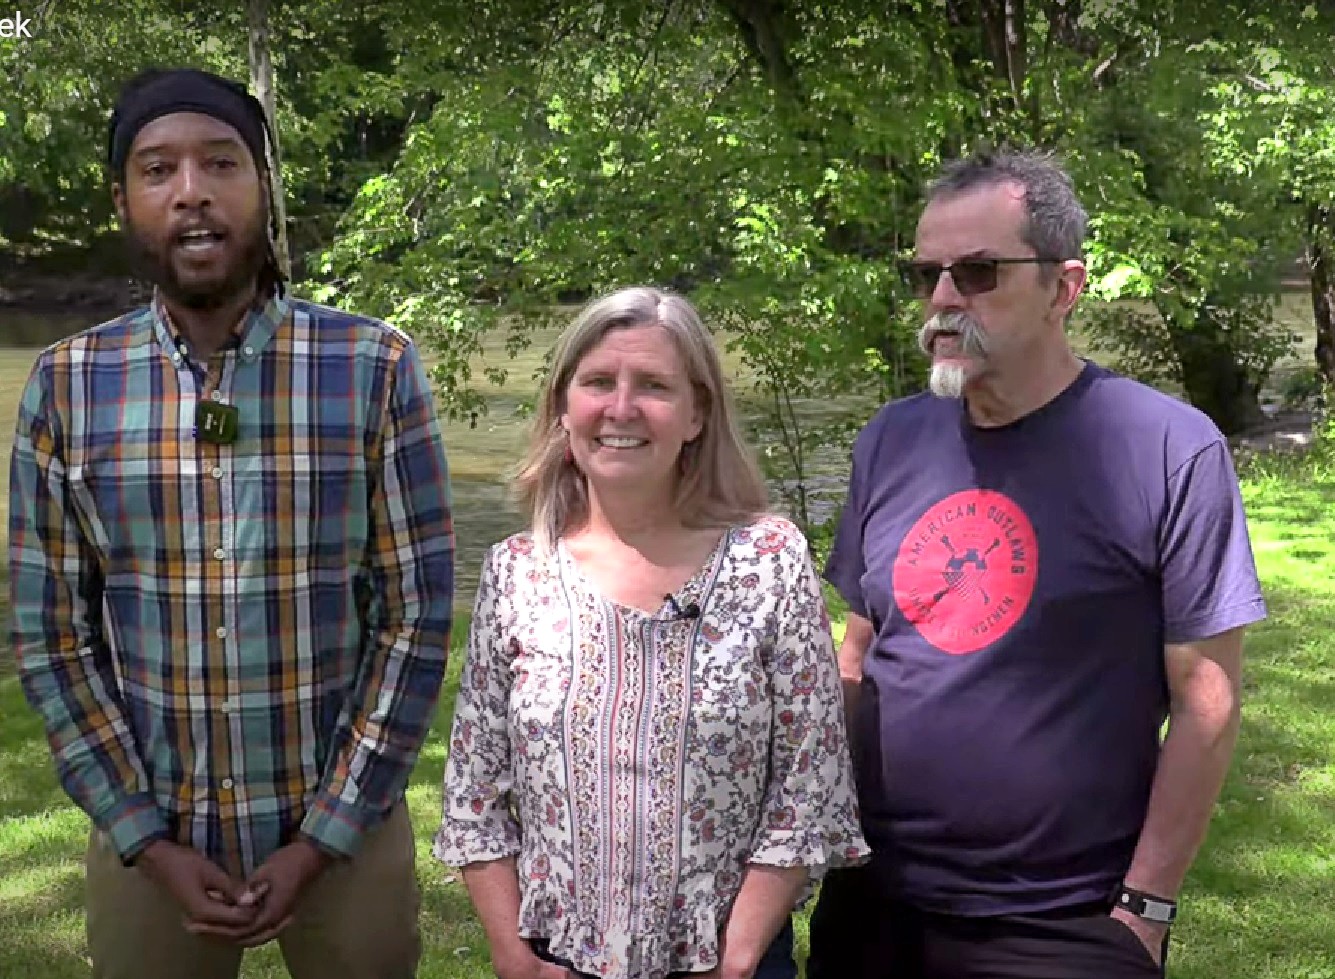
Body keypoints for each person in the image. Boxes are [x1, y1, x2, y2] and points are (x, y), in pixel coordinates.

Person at [7, 67, 455, 979]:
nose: (191, 191)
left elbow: (415, 617)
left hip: (344, 831)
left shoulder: (374, 366)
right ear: (124, 199)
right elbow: (50, 636)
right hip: (151, 833)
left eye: (220, 162)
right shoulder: (67, 383)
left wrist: (325, 832)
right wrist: (142, 833)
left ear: (262, 187)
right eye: (157, 169)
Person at [806, 149, 1268, 979]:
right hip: (874, 904)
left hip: (1066, 921)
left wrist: (1144, 907)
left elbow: (1205, 698)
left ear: (1064, 288)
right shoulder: (891, 437)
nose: (944, 299)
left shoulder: (1165, 447)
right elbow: (860, 649)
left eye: (977, 272)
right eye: (927, 275)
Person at [433, 286, 868, 979]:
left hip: (729, 959)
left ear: (696, 414)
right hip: (555, 960)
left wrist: (735, 960)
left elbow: (808, 786)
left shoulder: (768, 561)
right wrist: (516, 961)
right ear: (563, 406)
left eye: (654, 386)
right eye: (598, 382)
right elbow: (473, 794)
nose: (621, 408)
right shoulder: (517, 571)